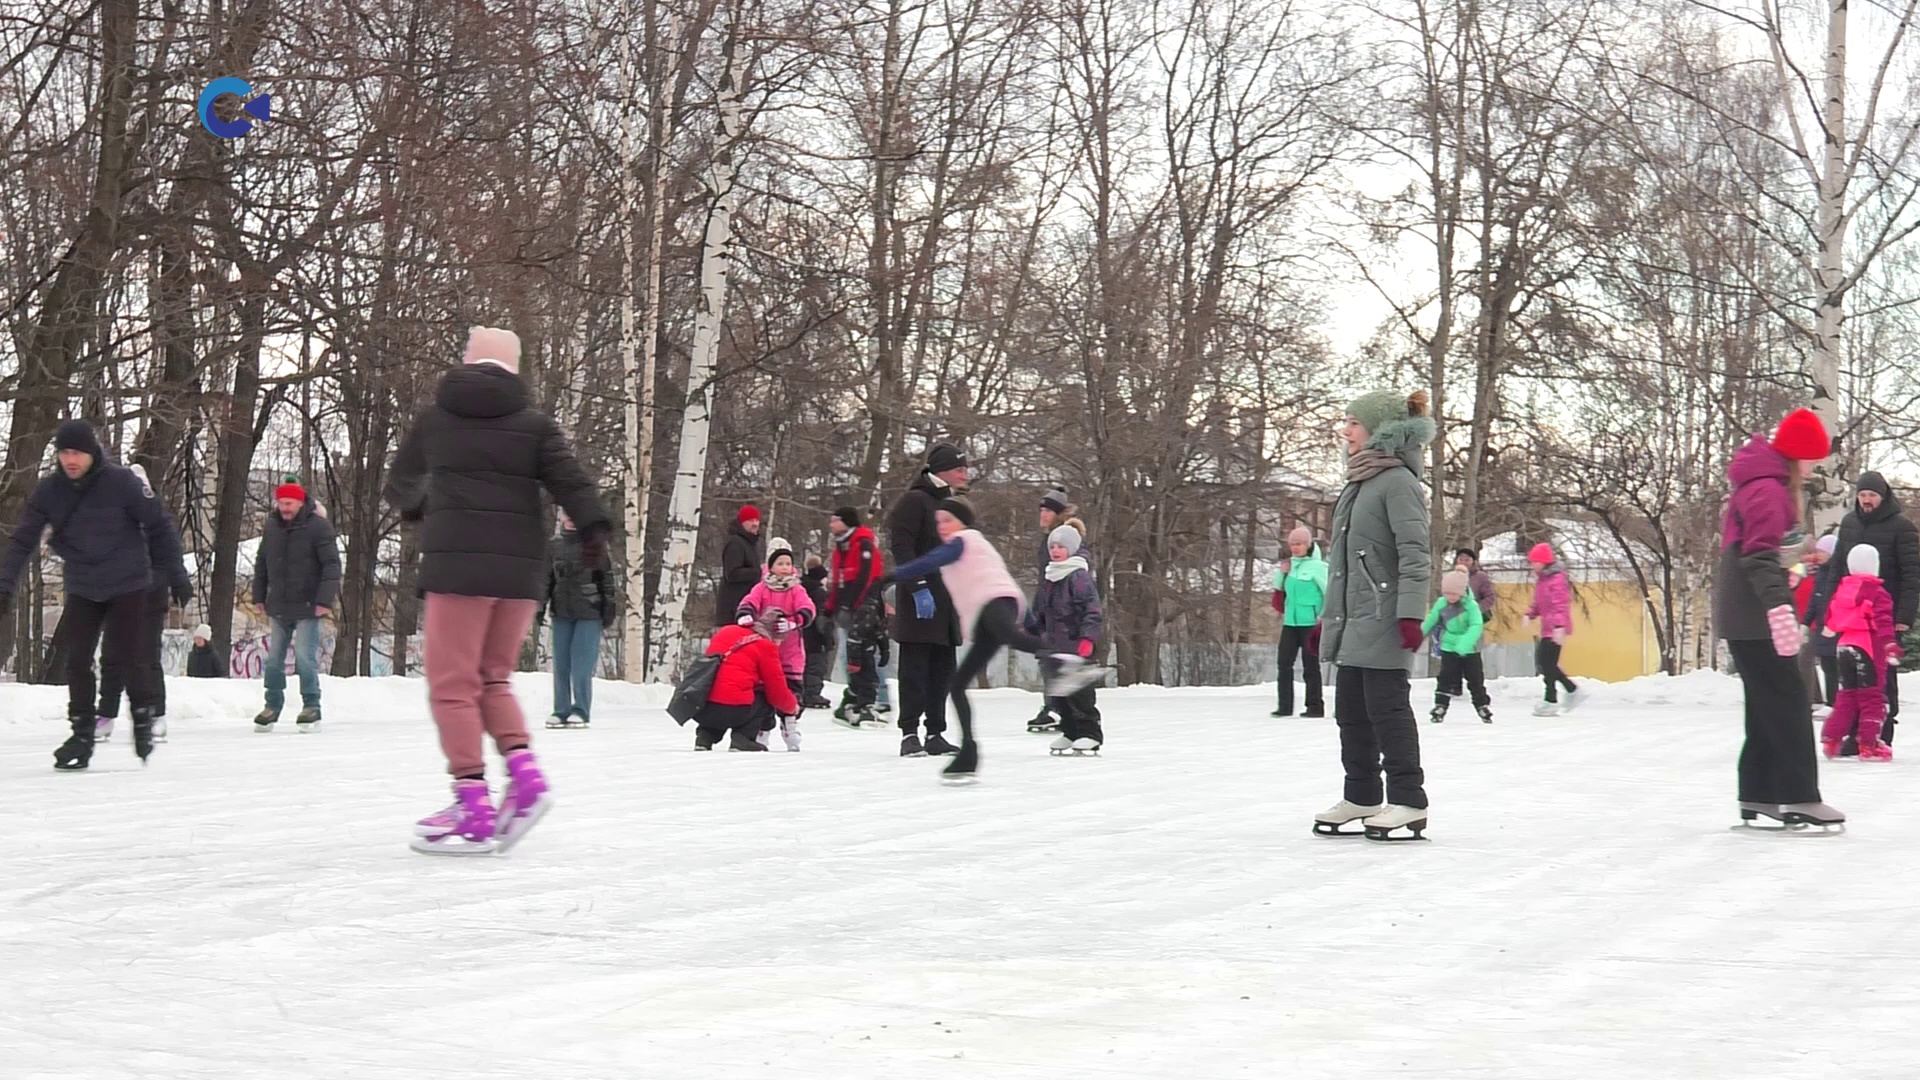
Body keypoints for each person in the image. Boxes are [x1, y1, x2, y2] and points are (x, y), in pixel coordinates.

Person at [387, 325, 610, 856]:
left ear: (469, 362)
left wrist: (418, 505)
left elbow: (401, 483)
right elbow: (572, 481)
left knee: (452, 685)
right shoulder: (535, 425)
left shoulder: (437, 418)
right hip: (520, 574)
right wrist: (595, 530)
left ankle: (472, 803)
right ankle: (525, 777)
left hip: (458, 569)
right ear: (514, 368)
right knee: (493, 680)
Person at [0, 419, 191, 770]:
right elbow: (23, 540)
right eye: (64, 453)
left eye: (78, 453)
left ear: (92, 454)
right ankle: (83, 732)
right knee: (77, 660)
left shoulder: (121, 483)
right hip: (84, 584)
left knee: (130, 655)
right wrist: (5, 584)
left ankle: (143, 716)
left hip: (129, 581)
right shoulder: (50, 490)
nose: (71, 460)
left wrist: (176, 574)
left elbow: (159, 526)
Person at [883, 496, 1104, 782]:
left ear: (962, 521)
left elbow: (929, 561)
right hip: (995, 608)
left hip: (996, 604)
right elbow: (1007, 579)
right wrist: (1030, 620)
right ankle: (968, 753)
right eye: (938, 522)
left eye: (947, 520)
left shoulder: (964, 540)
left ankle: (1070, 664)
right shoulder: (976, 546)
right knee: (958, 686)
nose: (942, 527)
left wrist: (890, 576)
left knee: (1010, 637)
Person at [1311, 390, 1434, 841]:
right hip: (1354, 616)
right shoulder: (1359, 482)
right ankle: (1362, 794)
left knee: (1387, 709)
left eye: (1353, 423)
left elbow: (1416, 553)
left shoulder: (1398, 482)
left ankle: (1408, 800)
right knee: (1351, 711)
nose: (1345, 431)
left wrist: (1409, 614)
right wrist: (1329, 618)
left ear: (1378, 430)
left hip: (1384, 614)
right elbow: (1343, 565)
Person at [1715, 407, 1844, 829]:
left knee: (1767, 701)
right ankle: (1797, 795)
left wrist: (1800, 560)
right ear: (1794, 454)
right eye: (1810, 459)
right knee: (1789, 699)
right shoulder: (1768, 489)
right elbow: (1757, 556)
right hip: (1755, 614)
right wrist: (1778, 607)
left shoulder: (1762, 484)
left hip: (1746, 612)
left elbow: (1771, 551)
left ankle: (1760, 792)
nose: (1812, 469)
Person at [1821, 471, 1920, 745]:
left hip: (1884, 615)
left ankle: (1882, 732)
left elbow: (1912, 574)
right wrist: (1830, 609)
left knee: (1881, 676)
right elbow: (1836, 570)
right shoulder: (1849, 523)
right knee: (1852, 677)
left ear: (1883, 496)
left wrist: (1904, 616)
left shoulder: (1902, 527)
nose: (1866, 501)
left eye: (1872, 496)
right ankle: (1855, 733)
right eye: (1863, 495)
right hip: (1852, 616)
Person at [886, 442, 970, 757]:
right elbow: (902, 546)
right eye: (959, 468)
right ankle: (910, 732)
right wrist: (917, 584)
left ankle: (936, 731)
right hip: (921, 596)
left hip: (948, 600)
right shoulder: (915, 501)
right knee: (915, 668)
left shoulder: (952, 505)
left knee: (942, 669)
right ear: (942, 470)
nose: (964, 474)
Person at [95, 463, 182, 744]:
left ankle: (156, 714)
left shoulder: (156, 521)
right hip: (117, 597)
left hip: (149, 596)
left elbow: (170, 556)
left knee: (145, 656)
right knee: (111, 657)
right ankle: (105, 714)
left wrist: (168, 581)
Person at [250, 474, 341, 732]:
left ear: (300, 503)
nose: (285, 508)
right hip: (278, 603)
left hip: (309, 603)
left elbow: (332, 565)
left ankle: (311, 706)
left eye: (290, 503)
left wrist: (325, 599)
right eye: (282, 503)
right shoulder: (272, 526)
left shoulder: (318, 527)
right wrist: (258, 595)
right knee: (274, 659)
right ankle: (272, 706)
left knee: (304, 657)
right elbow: (262, 562)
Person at [1026, 523, 1106, 753]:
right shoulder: (1051, 576)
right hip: (1052, 646)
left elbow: (1092, 609)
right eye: (1052, 546)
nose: (1055, 550)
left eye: (1061, 546)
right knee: (1058, 693)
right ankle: (1070, 731)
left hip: (1074, 643)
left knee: (1079, 692)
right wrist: (1031, 631)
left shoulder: (1078, 576)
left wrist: (1087, 638)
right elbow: (1040, 611)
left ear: (1071, 549)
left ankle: (1090, 732)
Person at [734, 537, 817, 751]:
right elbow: (749, 602)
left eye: (788, 564)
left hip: (790, 653)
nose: (784, 568)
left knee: (790, 690)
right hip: (766, 653)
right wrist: (745, 614)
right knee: (765, 692)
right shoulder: (762, 588)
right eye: (780, 564)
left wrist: (794, 621)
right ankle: (764, 728)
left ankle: (790, 721)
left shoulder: (796, 589)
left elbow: (808, 608)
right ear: (770, 566)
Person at [1819, 544, 1898, 762]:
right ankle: (1869, 744)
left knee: (1846, 696)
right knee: (1872, 697)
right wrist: (1890, 643)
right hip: (1868, 646)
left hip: (1844, 646)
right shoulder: (1876, 592)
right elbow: (1882, 620)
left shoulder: (1843, 589)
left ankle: (1831, 738)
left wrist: (1828, 628)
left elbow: (1831, 617)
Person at [542, 509, 615, 729]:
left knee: (581, 664)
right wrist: (539, 607)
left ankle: (581, 709)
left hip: (588, 611)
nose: (571, 518)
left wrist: (609, 609)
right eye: (567, 513)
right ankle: (560, 709)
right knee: (561, 664)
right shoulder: (553, 546)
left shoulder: (596, 545)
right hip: (561, 610)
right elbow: (546, 580)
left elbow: (607, 582)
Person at [695, 608, 801, 751]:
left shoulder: (727, 631)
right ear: (774, 635)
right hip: (735, 709)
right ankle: (742, 739)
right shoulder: (766, 646)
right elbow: (777, 691)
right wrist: (792, 706)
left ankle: (704, 738)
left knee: (719, 689)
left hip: (703, 706)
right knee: (762, 697)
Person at [826, 506, 884, 725]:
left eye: (835, 520)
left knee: (862, 652)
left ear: (846, 522)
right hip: (847, 608)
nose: (831, 525)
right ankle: (853, 698)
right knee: (849, 656)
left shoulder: (862, 544)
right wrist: (829, 609)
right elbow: (837, 583)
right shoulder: (840, 548)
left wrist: (853, 605)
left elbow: (865, 578)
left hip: (863, 607)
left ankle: (867, 701)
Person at [1423, 569, 1490, 723]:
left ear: (1461, 593)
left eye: (1453, 594)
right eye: (1446, 594)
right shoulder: (1442, 603)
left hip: (1470, 650)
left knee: (1475, 679)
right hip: (1449, 648)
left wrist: (1465, 643)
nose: (1449, 597)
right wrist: (1416, 636)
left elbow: (1476, 625)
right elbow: (1431, 621)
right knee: (1445, 678)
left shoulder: (1471, 606)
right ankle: (1440, 705)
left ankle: (1482, 705)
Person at [1274, 526, 1327, 718]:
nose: (1295, 548)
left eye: (1299, 544)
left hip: (1311, 624)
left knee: (1310, 666)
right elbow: (1278, 589)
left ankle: (1315, 707)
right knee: (1283, 664)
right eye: (1292, 544)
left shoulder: (1319, 567)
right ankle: (1284, 706)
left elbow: (1328, 592)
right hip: (1290, 622)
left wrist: (1322, 616)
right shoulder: (1290, 565)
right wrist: (1282, 572)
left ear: (1308, 545)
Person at [1526, 543, 1579, 716]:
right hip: (1547, 628)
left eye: (1534, 561)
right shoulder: (1542, 580)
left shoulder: (1557, 579)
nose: (1532, 565)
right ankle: (1561, 693)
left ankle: (1556, 696)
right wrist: (1530, 614)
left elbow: (1560, 605)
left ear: (1543, 561)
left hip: (1557, 628)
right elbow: (1539, 603)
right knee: (1545, 663)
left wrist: (1558, 626)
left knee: (1546, 663)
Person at [1798, 534, 1838, 712]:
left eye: (1821, 551)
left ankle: (1831, 703)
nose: (1815, 555)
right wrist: (1806, 621)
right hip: (1817, 622)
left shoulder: (1834, 572)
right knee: (1824, 664)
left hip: (1832, 624)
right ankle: (1821, 700)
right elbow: (1815, 599)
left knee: (1829, 665)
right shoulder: (1811, 571)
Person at [715, 504, 764, 628]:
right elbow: (732, 574)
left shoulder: (750, 543)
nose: (755, 524)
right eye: (751, 520)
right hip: (733, 608)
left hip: (744, 607)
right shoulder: (735, 543)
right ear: (742, 523)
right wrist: (757, 572)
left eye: (757, 520)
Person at [800, 554, 834, 709]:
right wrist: (827, 636)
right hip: (816, 636)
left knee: (805, 664)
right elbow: (823, 616)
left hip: (803, 633)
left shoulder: (801, 587)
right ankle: (812, 694)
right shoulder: (820, 592)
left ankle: (802, 692)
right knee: (817, 665)